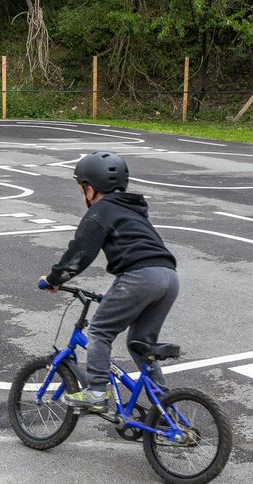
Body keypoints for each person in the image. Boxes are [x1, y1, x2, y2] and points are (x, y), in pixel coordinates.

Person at [38, 151, 179, 413]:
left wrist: (54, 279)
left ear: (90, 189)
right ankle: (164, 409)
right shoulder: (133, 210)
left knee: (100, 331)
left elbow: (79, 254)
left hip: (140, 277)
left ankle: (96, 392)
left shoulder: (100, 211)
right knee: (141, 344)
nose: (82, 195)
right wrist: (119, 291)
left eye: (81, 189)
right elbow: (139, 250)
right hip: (168, 277)